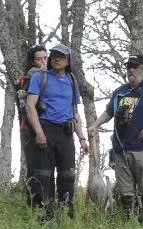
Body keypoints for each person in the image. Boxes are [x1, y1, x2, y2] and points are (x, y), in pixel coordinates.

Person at [88, 54, 143, 222]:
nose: (131, 70)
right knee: (126, 191)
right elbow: (109, 112)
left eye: (134, 67)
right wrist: (95, 125)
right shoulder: (120, 92)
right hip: (121, 149)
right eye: (129, 67)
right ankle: (129, 223)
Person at [23, 43, 89, 219]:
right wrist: (39, 133)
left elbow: (75, 112)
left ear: (68, 60)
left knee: (68, 176)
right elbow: (30, 107)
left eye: (60, 56)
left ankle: (66, 215)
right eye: (53, 55)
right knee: (44, 177)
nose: (56, 59)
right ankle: (45, 219)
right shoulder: (40, 77)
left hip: (66, 134)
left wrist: (82, 138)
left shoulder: (72, 81)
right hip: (45, 130)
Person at [17, 45, 48, 208]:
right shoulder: (34, 75)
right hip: (32, 129)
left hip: (40, 127)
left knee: (40, 166)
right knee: (36, 167)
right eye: (38, 59)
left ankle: (38, 203)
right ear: (32, 61)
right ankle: (36, 204)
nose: (43, 62)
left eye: (45, 58)